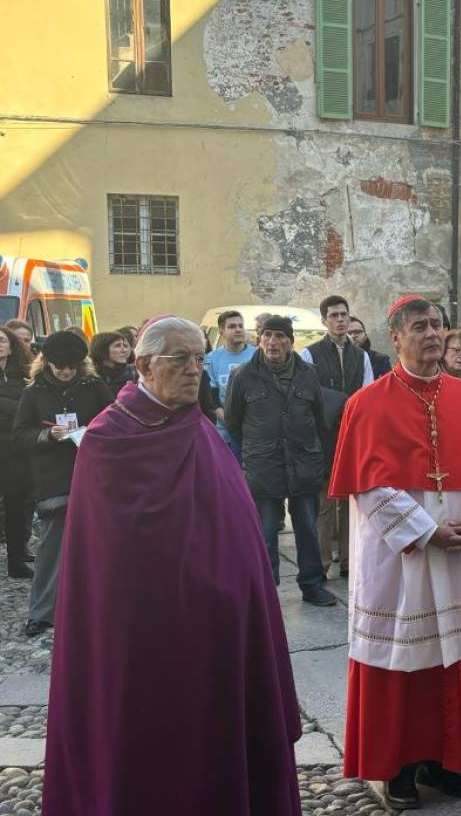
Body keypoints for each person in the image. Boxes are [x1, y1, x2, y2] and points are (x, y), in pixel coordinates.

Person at [41, 317, 302, 816]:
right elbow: (110, 560)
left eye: (199, 359)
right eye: (178, 359)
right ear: (141, 365)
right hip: (141, 640)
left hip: (219, 630)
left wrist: (238, 592)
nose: (193, 371)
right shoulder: (108, 441)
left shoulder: (200, 428)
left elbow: (235, 528)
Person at [327, 295, 461, 810]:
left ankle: (445, 759)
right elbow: (368, 486)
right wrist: (427, 531)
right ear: (396, 338)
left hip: (460, 545)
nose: (432, 334)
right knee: (400, 658)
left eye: (437, 325)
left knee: (454, 654)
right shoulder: (366, 404)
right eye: (420, 327)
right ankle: (400, 767)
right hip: (400, 553)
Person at [224, 315, 335, 607]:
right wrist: (255, 450)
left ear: (290, 341)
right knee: (266, 532)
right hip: (264, 467)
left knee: (308, 530)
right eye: (268, 335)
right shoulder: (243, 376)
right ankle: (266, 589)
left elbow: (320, 420)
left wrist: (317, 459)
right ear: (259, 339)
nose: (273, 342)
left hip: (304, 465)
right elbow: (234, 422)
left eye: (280, 336)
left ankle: (312, 585)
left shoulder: (308, 373)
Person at [14, 331, 114, 636]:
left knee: (97, 549)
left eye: (71, 367)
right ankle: (42, 613)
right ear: (48, 364)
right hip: (53, 479)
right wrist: (48, 435)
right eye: (60, 367)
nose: (65, 372)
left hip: (92, 477)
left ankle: (97, 609)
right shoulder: (33, 393)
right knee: (50, 550)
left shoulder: (95, 387)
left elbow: (114, 422)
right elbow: (21, 435)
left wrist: (92, 433)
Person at [301, 295, 374, 580]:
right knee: (324, 506)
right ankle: (320, 565)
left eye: (344, 314)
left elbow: (368, 395)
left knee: (351, 505)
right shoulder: (310, 354)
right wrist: (343, 402)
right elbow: (308, 394)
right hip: (323, 438)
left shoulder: (361, 355)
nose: (340, 319)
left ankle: (349, 562)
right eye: (334, 315)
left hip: (353, 437)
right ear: (324, 321)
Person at [0, 327, 34, 578]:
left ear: (11, 346)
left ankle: (17, 557)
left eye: (2, 341)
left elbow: (28, 408)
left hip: (15, 451)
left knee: (16, 505)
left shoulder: (23, 375)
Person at [203, 309, 257, 458]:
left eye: (241, 325)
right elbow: (211, 397)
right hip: (225, 434)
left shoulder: (258, 355)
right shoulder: (211, 359)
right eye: (232, 326)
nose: (238, 329)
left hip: (253, 432)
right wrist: (230, 422)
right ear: (221, 331)